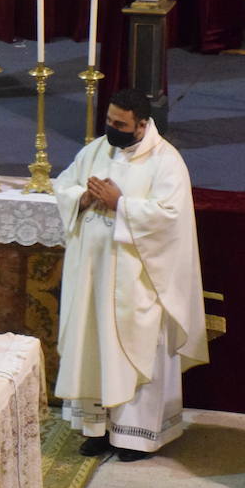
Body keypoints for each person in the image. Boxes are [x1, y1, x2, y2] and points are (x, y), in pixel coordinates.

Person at [52, 88, 208, 461]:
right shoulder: (96, 151)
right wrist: (82, 198)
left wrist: (121, 204)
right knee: (94, 346)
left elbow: (171, 218)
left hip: (136, 282)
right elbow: (65, 183)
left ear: (141, 125)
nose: (111, 129)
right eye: (108, 121)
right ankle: (98, 429)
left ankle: (135, 436)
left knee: (133, 350)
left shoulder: (166, 162)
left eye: (119, 124)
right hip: (91, 277)